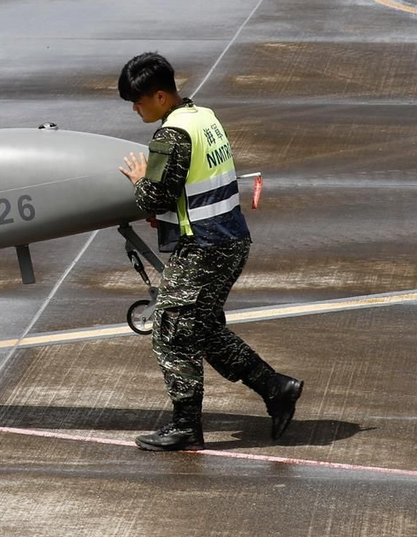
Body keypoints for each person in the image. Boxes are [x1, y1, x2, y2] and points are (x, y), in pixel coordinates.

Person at [117, 52, 302, 451]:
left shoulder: (171, 135)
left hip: (205, 247)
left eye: (139, 101)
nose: (135, 109)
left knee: (170, 332)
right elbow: (197, 185)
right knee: (202, 331)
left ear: (161, 97)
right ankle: (276, 388)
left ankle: (186, 426)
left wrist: (138, 179)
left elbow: (154, 195)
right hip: (228, 238)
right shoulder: (204, 116)